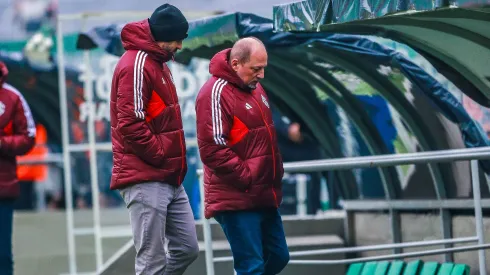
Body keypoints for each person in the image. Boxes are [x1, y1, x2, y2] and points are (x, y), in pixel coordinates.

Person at [109, 4, 198, 275]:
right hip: (147, 175)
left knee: (187, 249)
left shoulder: (157, 62)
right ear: (163, 35)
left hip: (167, 175)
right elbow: (130, 123)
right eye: (177, 39)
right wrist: (161, 155)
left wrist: (168, 164)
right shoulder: (136, 63)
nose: (180, 45)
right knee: (151, 261)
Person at [195, 37, 290, 275]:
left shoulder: (256, 88)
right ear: (236, 64)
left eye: (263, 68)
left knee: (279, 256)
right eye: (256, 69)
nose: (261, 75)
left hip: (263, 193)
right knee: (251, 267)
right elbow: (213, 148)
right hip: (237, 195)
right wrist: (247, 178)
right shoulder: (214, 92)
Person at [0, 61, 36, 275]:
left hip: (2, 189)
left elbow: (28, 136)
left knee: (2, 254)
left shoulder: (12, 97)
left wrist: (2, 144)